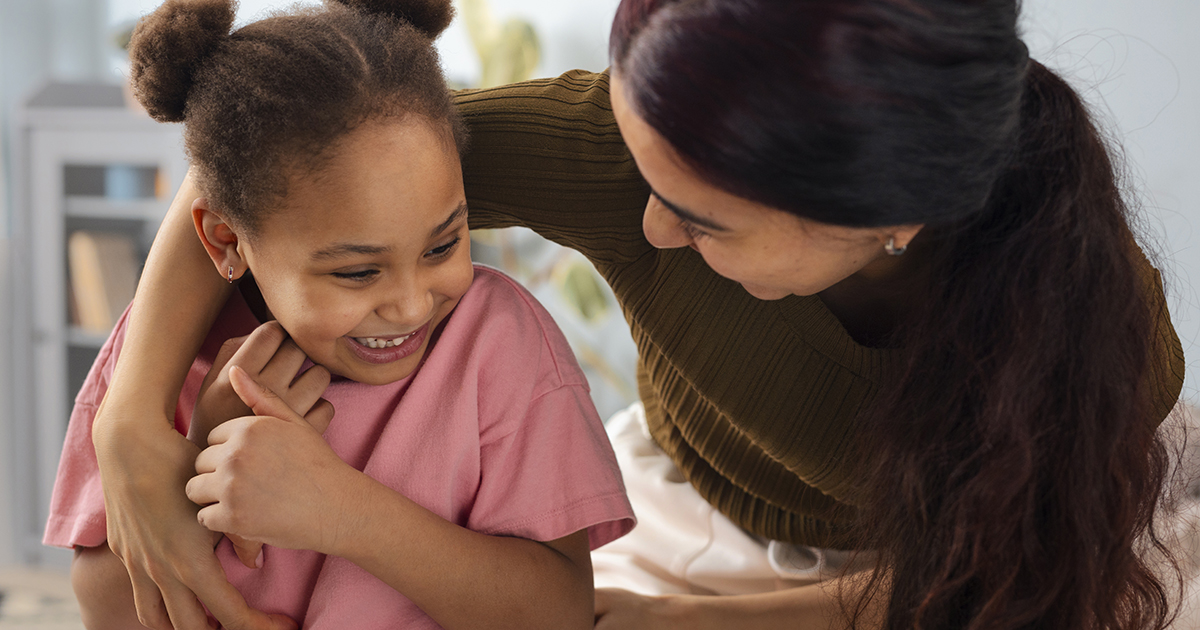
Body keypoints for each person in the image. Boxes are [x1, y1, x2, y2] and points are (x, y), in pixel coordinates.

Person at [82, 0, 1187, 628]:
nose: (650, 232)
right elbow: (266, 162)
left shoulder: (1090, 338)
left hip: (981, 575)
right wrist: (132, 426)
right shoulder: (621, 155)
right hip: (689, 506)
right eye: (645, 173)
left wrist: (716, 626)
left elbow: (989, 589)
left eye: (703, 220)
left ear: (892, 213)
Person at [42, 1, 636, 628]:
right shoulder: (156, 356)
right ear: (224, 241)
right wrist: (196, 470)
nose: (410, 304)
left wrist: (340, 510)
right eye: (357, 272)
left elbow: (560, 613)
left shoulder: (500, 343)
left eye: (443, 245)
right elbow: (104, 607)